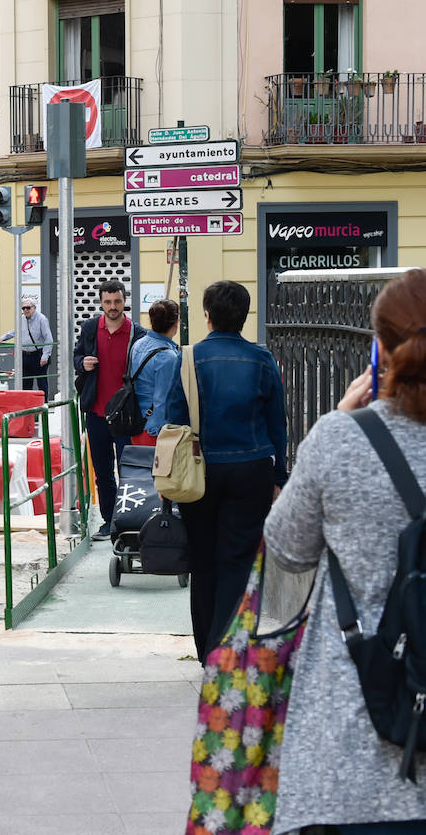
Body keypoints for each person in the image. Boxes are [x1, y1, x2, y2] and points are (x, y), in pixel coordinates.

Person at [262, 268, 426, 835]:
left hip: (351, 753)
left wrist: (336, 419)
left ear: (380, 350)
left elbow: (286, 550)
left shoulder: (342, 441)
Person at [169, 280, 288, 660]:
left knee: (203, 562)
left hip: (199, 471)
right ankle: (231, 653)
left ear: (207, 316)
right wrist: (279, 476)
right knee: (239, 563)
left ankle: (207, 652)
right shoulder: (262, 359)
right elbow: (277, 424)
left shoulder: (187, 359)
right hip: (251, 469)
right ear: (244, 316)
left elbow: (174, 421)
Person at [74, 280, 146, 541]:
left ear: (124, 300)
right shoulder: (91, 328)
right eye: (107, 302)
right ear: (101, 302)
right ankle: (110, 521)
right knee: (102, 472)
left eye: (117, 301)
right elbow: (76, 356)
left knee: (129, 471)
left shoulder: (138, 333)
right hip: (96, 412)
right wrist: (83, 363)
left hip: (126, 416)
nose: (112, 307)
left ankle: (131, 520)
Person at [126, 298, 182, 448]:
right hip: (155, 431)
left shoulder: (138, 344)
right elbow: (163, 400)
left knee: (141, 471)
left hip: (137, 424)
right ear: (176, 323)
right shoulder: (167, 357)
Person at [0, 295, 54, 398]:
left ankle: (43, 407)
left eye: (28, 308)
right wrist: (3, 338)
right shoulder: (22, 319)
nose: (25, 310)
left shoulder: (41, 319)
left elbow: (48, 338)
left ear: (34, 308)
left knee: (42, 383)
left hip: (38, 354)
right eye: (23, 308)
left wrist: (45, 355)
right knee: (26, 383)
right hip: (25, 355)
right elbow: (15, 331)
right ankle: (27, 407)